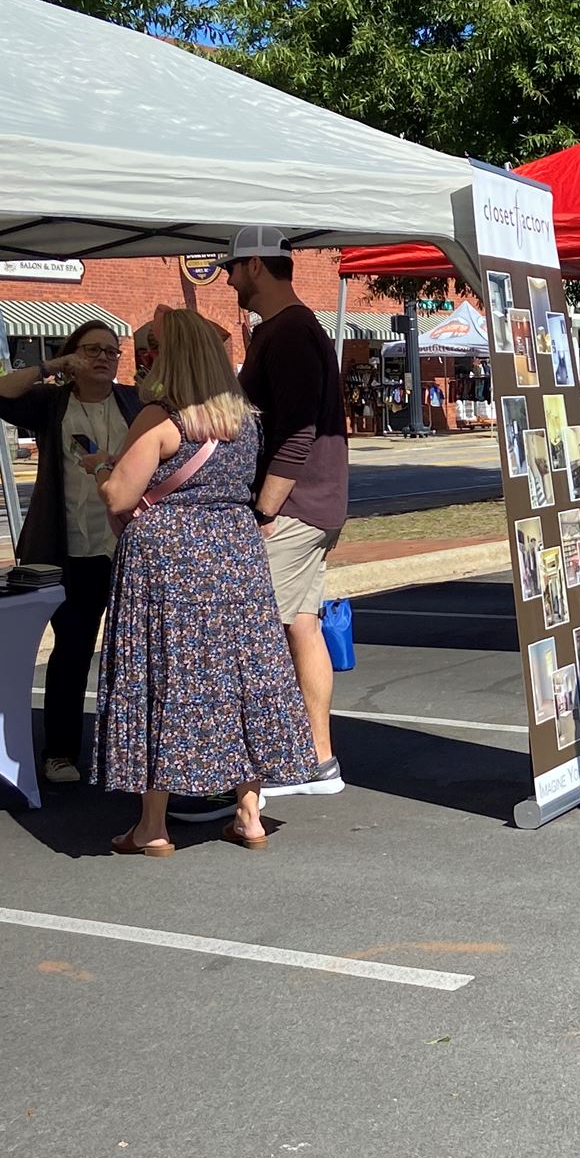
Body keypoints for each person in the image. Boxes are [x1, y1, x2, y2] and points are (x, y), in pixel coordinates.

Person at [93, 307, 318, 854]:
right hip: (234, 552)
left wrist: (101, 470)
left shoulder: (159, 418)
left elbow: (120, 497)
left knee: (164, 675)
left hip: (169, 557)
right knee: (240, 672)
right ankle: (249, 814)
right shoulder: (243, 420)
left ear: (169, 358)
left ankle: (152, 826)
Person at [0, 320, 143, 784]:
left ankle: (128, 748)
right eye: (92, 350)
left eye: (112, 351)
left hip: (130, 545)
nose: (104, 358)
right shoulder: (52, 404)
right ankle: (61, 752)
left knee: (135, 650)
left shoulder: (133, 401)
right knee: (72, 649)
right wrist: (50, 367)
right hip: (73, 548)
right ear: (72, 358)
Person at [228, 226, 350, 797]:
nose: (227, 279)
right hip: (311, 505)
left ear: (255, 265)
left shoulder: (291, 330)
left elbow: (298, 429)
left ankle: (281, 762)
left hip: (295, 507)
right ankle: (317, 759)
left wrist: (265, 509)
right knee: (301, 625)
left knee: (260, 633)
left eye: (231, 268)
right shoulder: (284, 330)